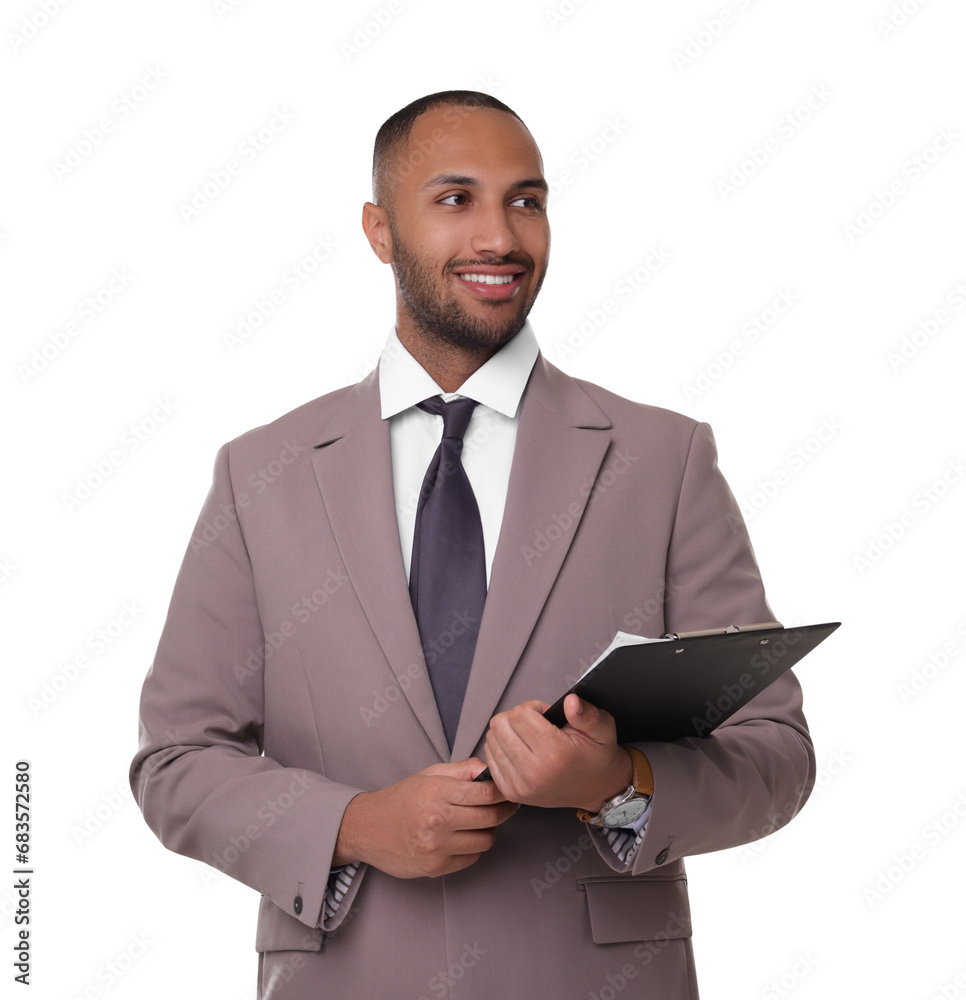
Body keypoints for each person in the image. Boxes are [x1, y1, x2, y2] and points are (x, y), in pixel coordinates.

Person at [130, 90, 814, 999]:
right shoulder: (262, 474)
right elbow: (176, 759)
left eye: (525, 200)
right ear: (380, 230)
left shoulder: (663, 458)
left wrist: (617, 778)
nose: (500, 236)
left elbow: (775, 751)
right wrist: (354, 824)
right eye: (456, 199)